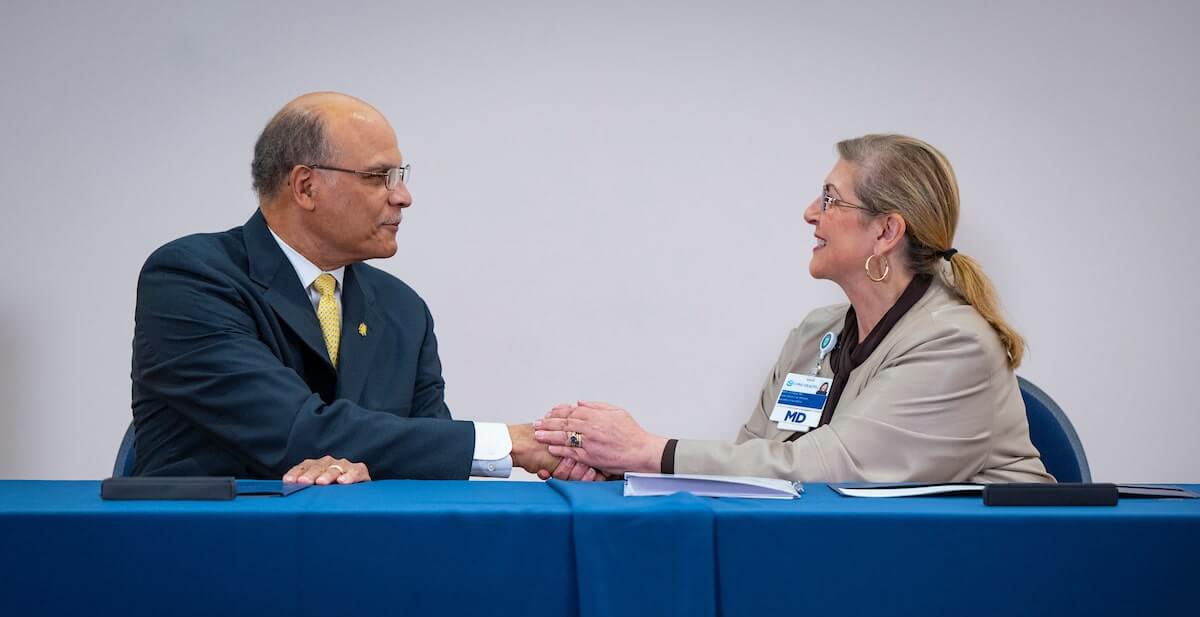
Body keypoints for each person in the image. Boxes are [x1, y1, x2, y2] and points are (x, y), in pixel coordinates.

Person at [534, 134, 1053, 484]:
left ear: (886, 231)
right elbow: (754, 471)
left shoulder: (954, 345)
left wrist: (648, 452)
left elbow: (826, 467)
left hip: (983, 580)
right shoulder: (815, 335)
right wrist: (624, 468)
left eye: (830, 199)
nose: (810, 213)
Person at [131, 92, 565, 484]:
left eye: (400, 175)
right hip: (215, 551)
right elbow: (295, 432)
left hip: (362, 551)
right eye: (379, 177)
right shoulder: (190, 279)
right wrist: (508, 442)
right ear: (306, 186)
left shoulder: (403, 310)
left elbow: (428, 455)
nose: (403, 197)